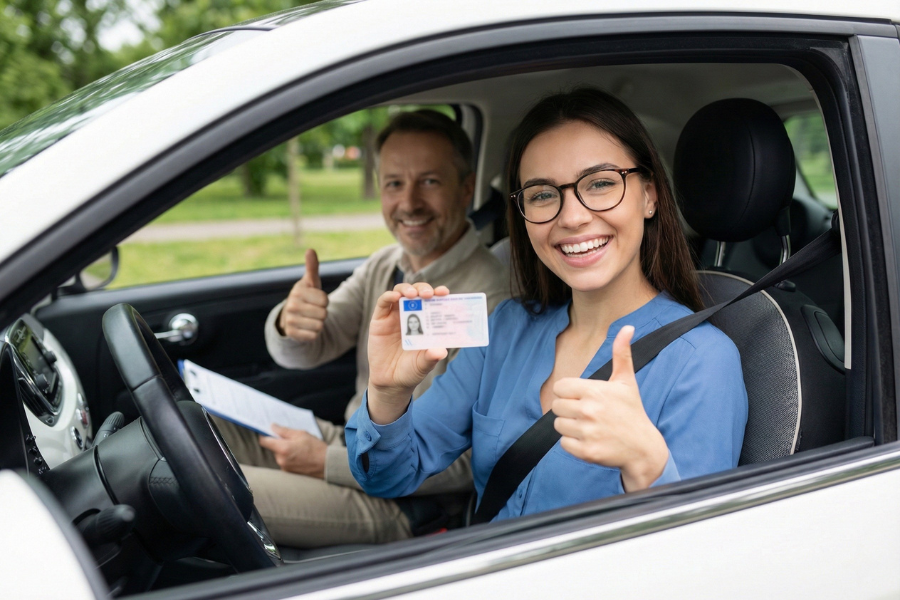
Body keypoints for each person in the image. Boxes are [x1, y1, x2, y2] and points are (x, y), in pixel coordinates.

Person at [346, 88, 748, 521]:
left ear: (649, 195)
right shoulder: (505, 330)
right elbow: (388, 477)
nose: (571, 217)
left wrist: (647, 465)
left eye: (600, 184)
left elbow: (700, 551)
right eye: (542, 194)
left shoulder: (702, 361)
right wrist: (388, 394)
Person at [213, 109, 509, 546]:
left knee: (208, 487)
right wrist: (292, 322)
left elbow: (475, 458)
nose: (409, 203)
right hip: (353, 441)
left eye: (429, 181)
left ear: (466, 189)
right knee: (197, 429)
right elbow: (310, 347)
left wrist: (326, 462)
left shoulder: (491, 300)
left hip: (408, 498)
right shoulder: (385, 265)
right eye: (394, 183)